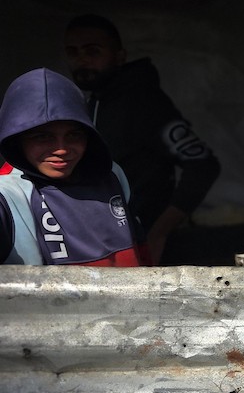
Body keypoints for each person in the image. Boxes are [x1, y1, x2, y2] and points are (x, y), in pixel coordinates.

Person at [63, 15, 220, 264]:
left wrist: (158, 233)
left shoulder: (145, 102)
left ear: (119, 56)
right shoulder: (91, 102)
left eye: (93, 51)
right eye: (73, 52)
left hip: (144, 246)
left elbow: (203, 166)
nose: (82, 60)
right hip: (106, 244)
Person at [1, 67, 142, 266]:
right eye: (42, 137)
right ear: (17, 139)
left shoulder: (111, 174)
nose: (61, 149)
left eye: (74, 135)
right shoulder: (8, 194)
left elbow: (143, 254)